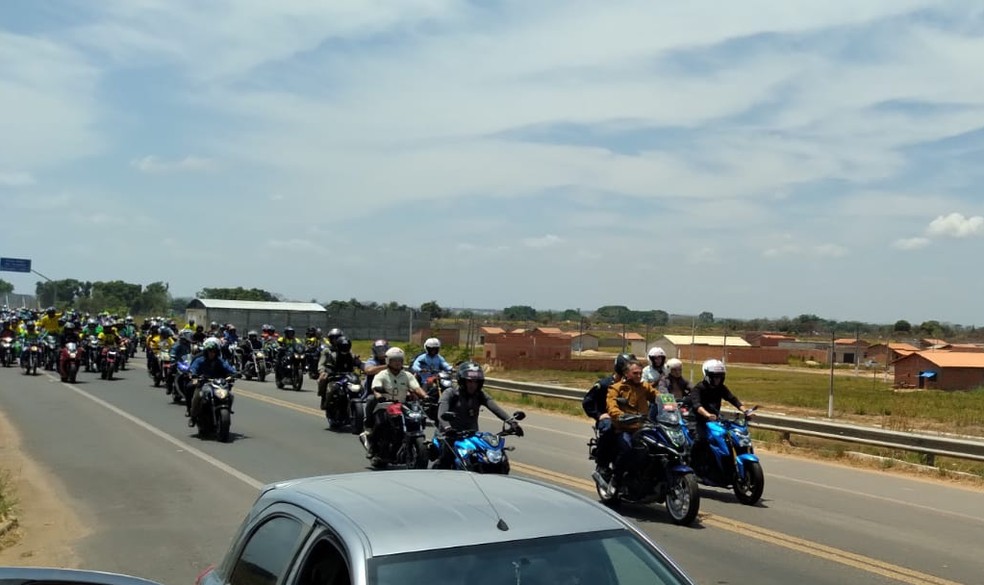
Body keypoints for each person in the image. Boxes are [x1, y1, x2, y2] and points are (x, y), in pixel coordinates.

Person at [434, 362, 521, 468]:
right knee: (446, 460)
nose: (473, 385)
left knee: (494, 459)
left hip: (472, 436)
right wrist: (448, 428)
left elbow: (495, 408)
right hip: (449, 436)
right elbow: (441, 414)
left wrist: (512, 422)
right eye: (469, 381)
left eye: (476, 382)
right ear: (462, 381)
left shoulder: (480, 394)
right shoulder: (450, 393)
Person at [360, 347, 428, 454]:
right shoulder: (381, 374)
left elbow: (416, 388)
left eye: (400, 360)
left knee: (416, 420)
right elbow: (375, 387)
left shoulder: (407, 375)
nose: (397, 363)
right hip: (385, 405)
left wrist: (425, 396)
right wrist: (379, 396)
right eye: (394, 360)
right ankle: (372, 444)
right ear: (388, 361)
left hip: (402, 406)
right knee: (381, 424)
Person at [606, 359, 659, 489]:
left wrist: (673, 403)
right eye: (635, 373)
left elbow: (658, 396)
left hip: (643, 428)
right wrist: (620, 415)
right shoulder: (616, 388)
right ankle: (616, 478)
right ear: (626, 373)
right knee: (628, 448)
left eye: (640, 373)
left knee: (659, 448)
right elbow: (611, 406)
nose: (639, 376)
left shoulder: (644, 386)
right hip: (625, 428)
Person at [582, 353, 634, 477]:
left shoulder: (632, 385)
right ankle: (602, 464)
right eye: (627, 368)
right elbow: (588, 401)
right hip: (608, 418)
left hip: (628, 419)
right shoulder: (604, 384)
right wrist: (598, 415)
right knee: (609, 429)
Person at [689, 359, 748, 453]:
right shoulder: (699, 388)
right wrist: (707, 415)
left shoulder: (721, 388)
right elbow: (697, 405)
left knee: (731, 437)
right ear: (708, 376)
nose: (717, 379)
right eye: (715, 377)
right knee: (701, 440)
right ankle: (693, 464)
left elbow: (732, 399)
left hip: (715, 420)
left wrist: (745, 410)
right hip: (698, 420)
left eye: (720, 377)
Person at [188, 339, 238, 427]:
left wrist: (234, 374)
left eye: (214, 351)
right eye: (209, 351)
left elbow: (228, 368)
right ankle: (193, 417)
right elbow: (193, 368)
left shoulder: (219, 361)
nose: (212, 353)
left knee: (230, 395)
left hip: (218, 383)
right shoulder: (200, 360)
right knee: (197, 396)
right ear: (206, 352)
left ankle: (227, 408)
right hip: (203, 383)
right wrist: (194, 376)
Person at [316, 336, 364, 407]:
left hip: (349, 377)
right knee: (331, 389)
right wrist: (325, 371)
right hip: (336, 377)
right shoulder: (332, 355)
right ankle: (326, 402)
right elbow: (327, 365)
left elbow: (358, 362)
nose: (345, 348)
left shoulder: (350, 355)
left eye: (346, 346)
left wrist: (364, 367)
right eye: (343, 346)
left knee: (360, 387)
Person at [170, 331, 195, 415]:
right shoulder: (178, 344)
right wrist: (173, 359)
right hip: (179, 362)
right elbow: (173, 352)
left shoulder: (191, 345)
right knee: (170, 371)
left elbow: (193, 354)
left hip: (188, 363)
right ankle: (169, 386)